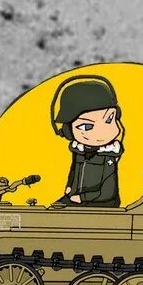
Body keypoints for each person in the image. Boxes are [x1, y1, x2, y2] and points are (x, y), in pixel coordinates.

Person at [51, 75, 124, 208]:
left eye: (109, 120)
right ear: (68, 131)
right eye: (87, 126)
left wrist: (82, 197)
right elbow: (74, 173)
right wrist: (70, 188)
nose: (102, 132)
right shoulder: (78, 151)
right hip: (77, 199)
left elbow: (108, 192)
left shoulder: (108, 157)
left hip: (103, 204)